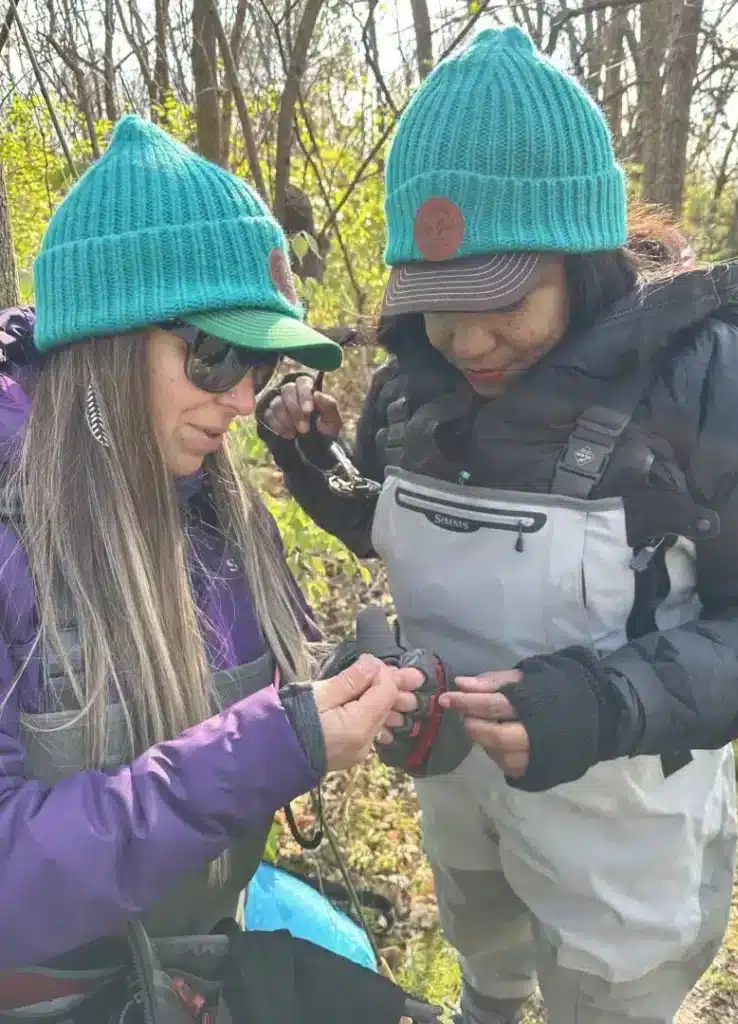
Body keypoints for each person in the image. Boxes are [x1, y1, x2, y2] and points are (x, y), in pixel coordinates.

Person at [257, 27, 738, 1024]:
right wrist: (308, 461)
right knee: (483, 941)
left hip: (620, 812)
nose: (469, 341)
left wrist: (604, 700)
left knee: (606, 996)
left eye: (503, 302)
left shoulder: (707, 384)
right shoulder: (414, 386)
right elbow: (404, 533)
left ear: (581, 262)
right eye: (439, 307)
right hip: (456, 783)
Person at [0, 114, 423, 1009]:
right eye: (215, 354)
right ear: (106, 344)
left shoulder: (219, 507)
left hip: (195, 958)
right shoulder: (14, 537)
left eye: (256, 363)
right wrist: (268, 749)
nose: (240, 398)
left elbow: (279, 702)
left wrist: (362, 696)